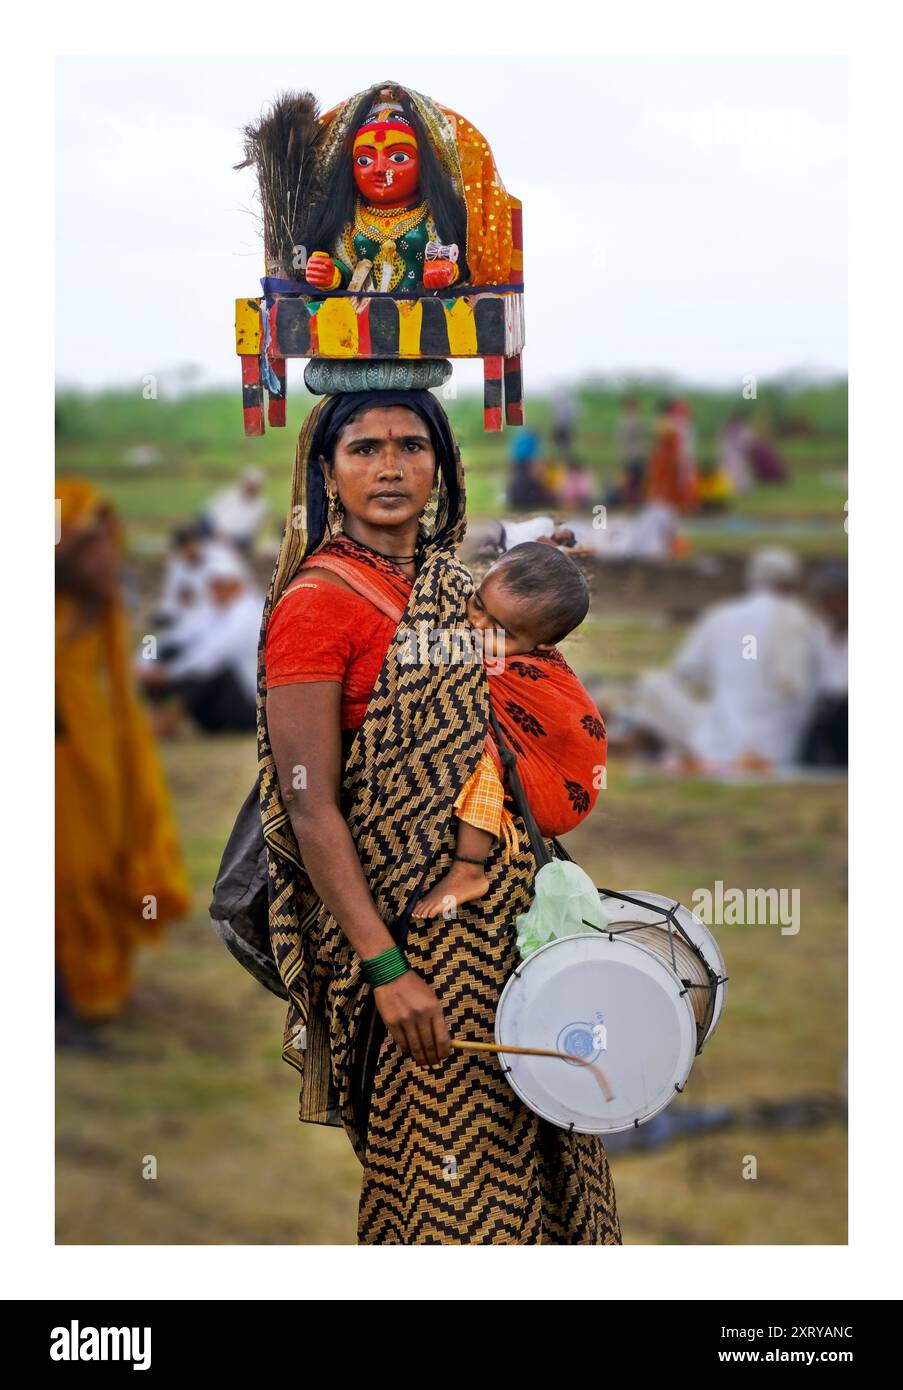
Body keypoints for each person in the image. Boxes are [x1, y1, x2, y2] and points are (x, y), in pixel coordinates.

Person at [258, 389, 621, 1244]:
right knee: (445, 1206)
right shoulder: (316, 606)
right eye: (364, 449)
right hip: (414, 952)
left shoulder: (456, 586)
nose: (390, 467)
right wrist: (389, 973)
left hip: (509, 943)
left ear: (442, 466)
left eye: (412, 447)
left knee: (543, 1173)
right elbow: (311, 810)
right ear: (326, 473)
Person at [55, 479, 190, 1035]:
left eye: (111, 541)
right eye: (93, 543)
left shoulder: (97, 616)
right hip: (63, 771)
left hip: (95, 767)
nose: (111, 555)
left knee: (99, 864)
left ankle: (91, 987)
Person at [411, 542, 607, 917]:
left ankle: (469, 868)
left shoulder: (525, 673)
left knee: (475, 753)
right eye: (478, 605)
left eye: (500, 629)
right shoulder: (479, 636)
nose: (478, 625)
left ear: (543, 643)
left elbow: (567, 728)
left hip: (548, 777)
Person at [631, 547, 824, 772]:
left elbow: (683, 672)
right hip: (784, 747)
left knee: (652, 682)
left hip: (717, 744)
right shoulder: (805, 620)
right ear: (794, 583)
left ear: (751, 579)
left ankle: (683, 755)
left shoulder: (721, 616)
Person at [143, 549, 262, 733]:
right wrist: (145, 661)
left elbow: (211, 656)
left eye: (218, 585)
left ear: (236, 584)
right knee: (169, 653)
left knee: (206, 670)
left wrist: (168, 673)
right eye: (212, 585)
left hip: (249, 705)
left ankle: (167, 723)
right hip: (219, 705)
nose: (213, 591)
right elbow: (171, 637)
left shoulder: (250, 613)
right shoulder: (213, 611)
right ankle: (155, 716)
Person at [800, 563, 848, 767]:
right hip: (825, 715)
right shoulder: (817, 634)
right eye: (831, 598)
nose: (836, 604)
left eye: (842, 597)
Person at [202, 468, 268, 550]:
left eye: (253, 485)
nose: (250, 487)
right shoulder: (229, 493)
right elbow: (208, 512)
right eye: (249, 483)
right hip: (212, 536)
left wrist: (229, 539)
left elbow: (250, 533)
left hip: (235, 545)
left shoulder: (261, 506)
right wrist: (215, 533)